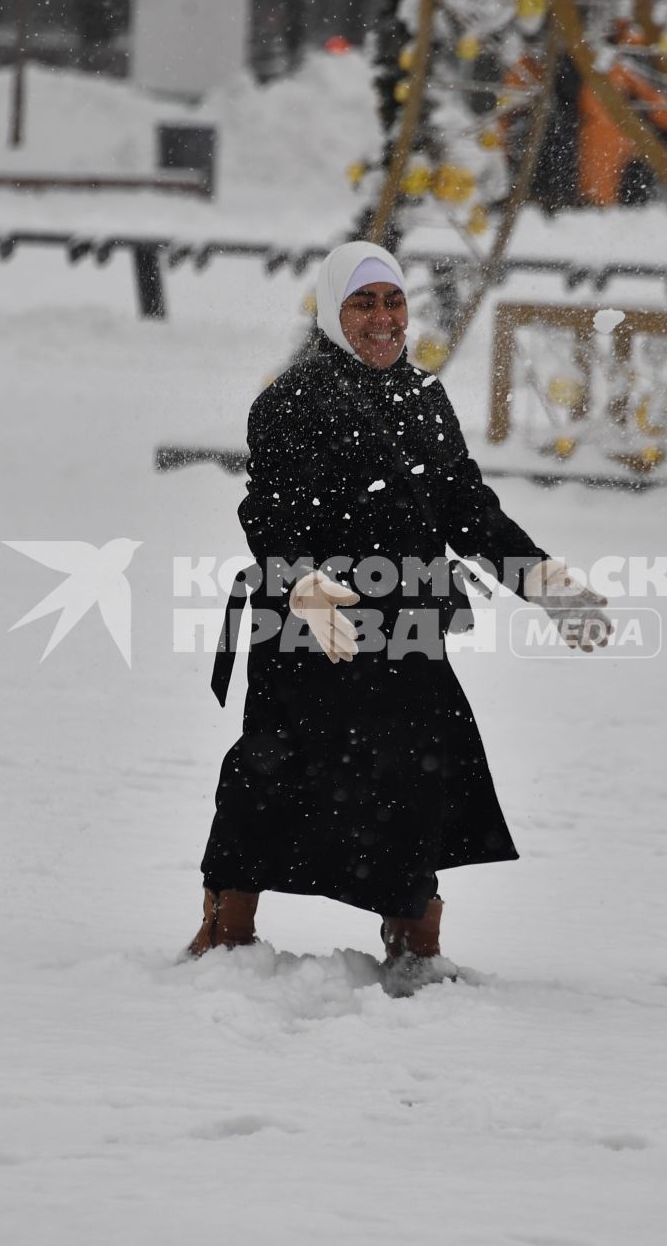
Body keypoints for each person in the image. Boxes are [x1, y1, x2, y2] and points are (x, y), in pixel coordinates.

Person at [190, 240, 610, 976]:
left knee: (418, 776)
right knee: (275, 775)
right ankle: (226, 929)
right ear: (331, 310)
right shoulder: (290, 402)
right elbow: (270, 515)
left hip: (408, 632)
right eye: (362, 303)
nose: (382, 320)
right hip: (312, 631)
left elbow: (466, 508)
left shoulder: (424, 396)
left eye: (392, 302)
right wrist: (300, 584)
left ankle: (415, 944)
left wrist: (542, 580)